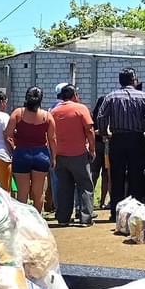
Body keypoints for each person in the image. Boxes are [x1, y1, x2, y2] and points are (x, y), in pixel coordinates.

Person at [99, 68, 145, 221]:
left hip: (117, 139)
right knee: (136, 175)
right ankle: (135, 211)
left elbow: (101, 116)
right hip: (137, 139)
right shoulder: (143, 96)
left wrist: (104, 133)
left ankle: (115, 213)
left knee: (116, 176)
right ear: (133, 80)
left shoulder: (111, 96)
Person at [50, 82, 96, 227]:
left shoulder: (54, 112)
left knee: (64, 187)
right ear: (74, 95)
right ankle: (85, 217)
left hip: (60, 155)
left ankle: (63, 218)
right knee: (85, 185)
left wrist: (53, 154)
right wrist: (92, 149)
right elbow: (89, 130)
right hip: (79, 154)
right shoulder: (81, 109)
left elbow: (49, 134)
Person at [5, 86, 57, 208]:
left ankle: (23, 218)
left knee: (22, 193)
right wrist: (54, 157)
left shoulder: (18, 113)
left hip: (22, 154)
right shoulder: (47, 116)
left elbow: (8, 135)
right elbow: (52, 139)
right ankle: (37, 217)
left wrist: (13, 149)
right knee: (38, 193)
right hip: (41, 155)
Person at [89, 91, 110, 209]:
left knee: (94, 174)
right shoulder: (110, 115)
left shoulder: (93, 116)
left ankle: (91, 201)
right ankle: (102, 201)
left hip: (97, 146)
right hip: (105, 146)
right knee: (105, 175)